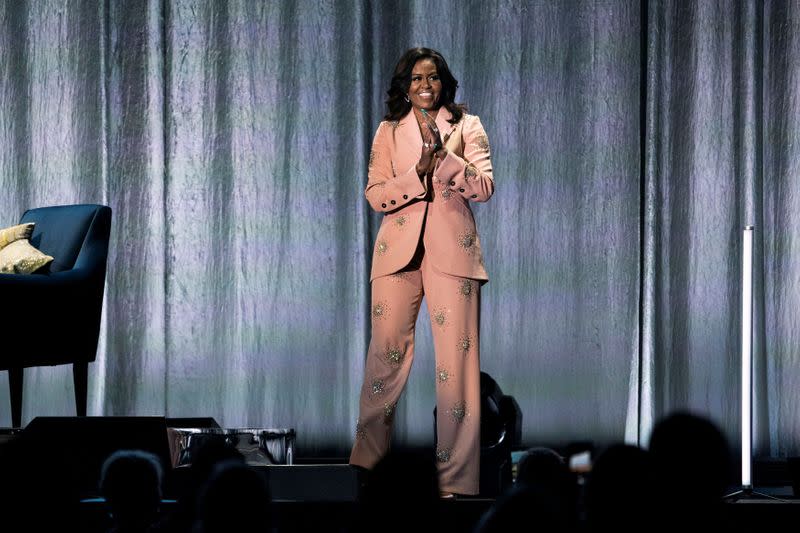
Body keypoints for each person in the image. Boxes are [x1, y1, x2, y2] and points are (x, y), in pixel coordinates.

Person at [349, 46, 495, 498]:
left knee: (458, 369)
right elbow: (375, 195)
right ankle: (368, 470)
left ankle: (456, 484)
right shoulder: (389, 131)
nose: (425, 86)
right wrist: (417, 173)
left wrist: (447, 163)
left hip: (453, 255)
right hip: (397, 256)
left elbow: (485, 186)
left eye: (432, 78)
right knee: (385, 359)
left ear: (443, 82)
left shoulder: (467, 126)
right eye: (415, 79)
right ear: (405, 86)